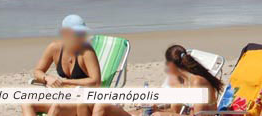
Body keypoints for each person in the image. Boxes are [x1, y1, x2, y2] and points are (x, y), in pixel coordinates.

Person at [93, 45, 222, 116]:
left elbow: (198, 114)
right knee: (102, 106)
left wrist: (160, 113)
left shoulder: (198, 82)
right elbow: (175, 111)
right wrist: (157, 108)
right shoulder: (180, 82)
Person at [23, 15, 101, 116]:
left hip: (83, 101)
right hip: (64, 96)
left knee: (57, 106)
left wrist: (65, 81)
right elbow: (38, 70)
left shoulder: (87, 51)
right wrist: (47, 78)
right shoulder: (54, 48)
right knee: (27, 103)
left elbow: (96, 82)